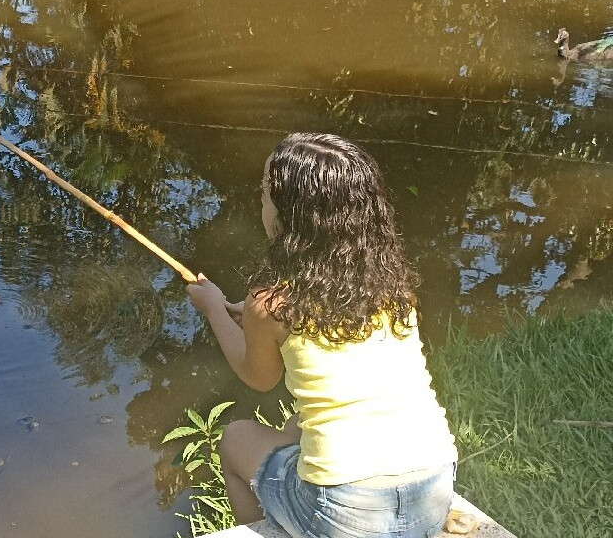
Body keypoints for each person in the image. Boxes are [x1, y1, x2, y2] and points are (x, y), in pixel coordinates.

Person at [187, 133, 457, 538]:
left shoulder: (272, 304)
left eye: (264, 194)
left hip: (346, 516)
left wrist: (214, 309)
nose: (261, 203)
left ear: (286, 218)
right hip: (431, 493)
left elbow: (257, 377)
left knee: (235, 439)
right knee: (296, 425)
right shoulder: (393, 287)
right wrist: (257, 321)